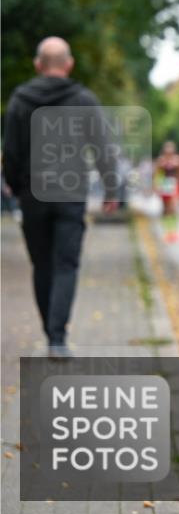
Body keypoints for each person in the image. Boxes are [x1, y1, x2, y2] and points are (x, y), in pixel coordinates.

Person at [2, 37, 119, 359]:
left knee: (42, 265)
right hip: (70, 193)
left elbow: (10, 151)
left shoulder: (20, 100)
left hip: (32, 193)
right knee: (65, 265)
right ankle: (57, 338)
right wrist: (112, 188)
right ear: (68, 64)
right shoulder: (83, 99)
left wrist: (14, 185)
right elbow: (103, 147)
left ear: (38, 64)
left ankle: (50, 334)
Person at [154, 140, 179, 243]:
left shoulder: (178, 160)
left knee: (174, 207)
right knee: (166, 209)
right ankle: (167, 231)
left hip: (174, 184)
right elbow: (157, 174)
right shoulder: (160, 161)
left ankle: (174, 231)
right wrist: (156, 186)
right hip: (165, 184)